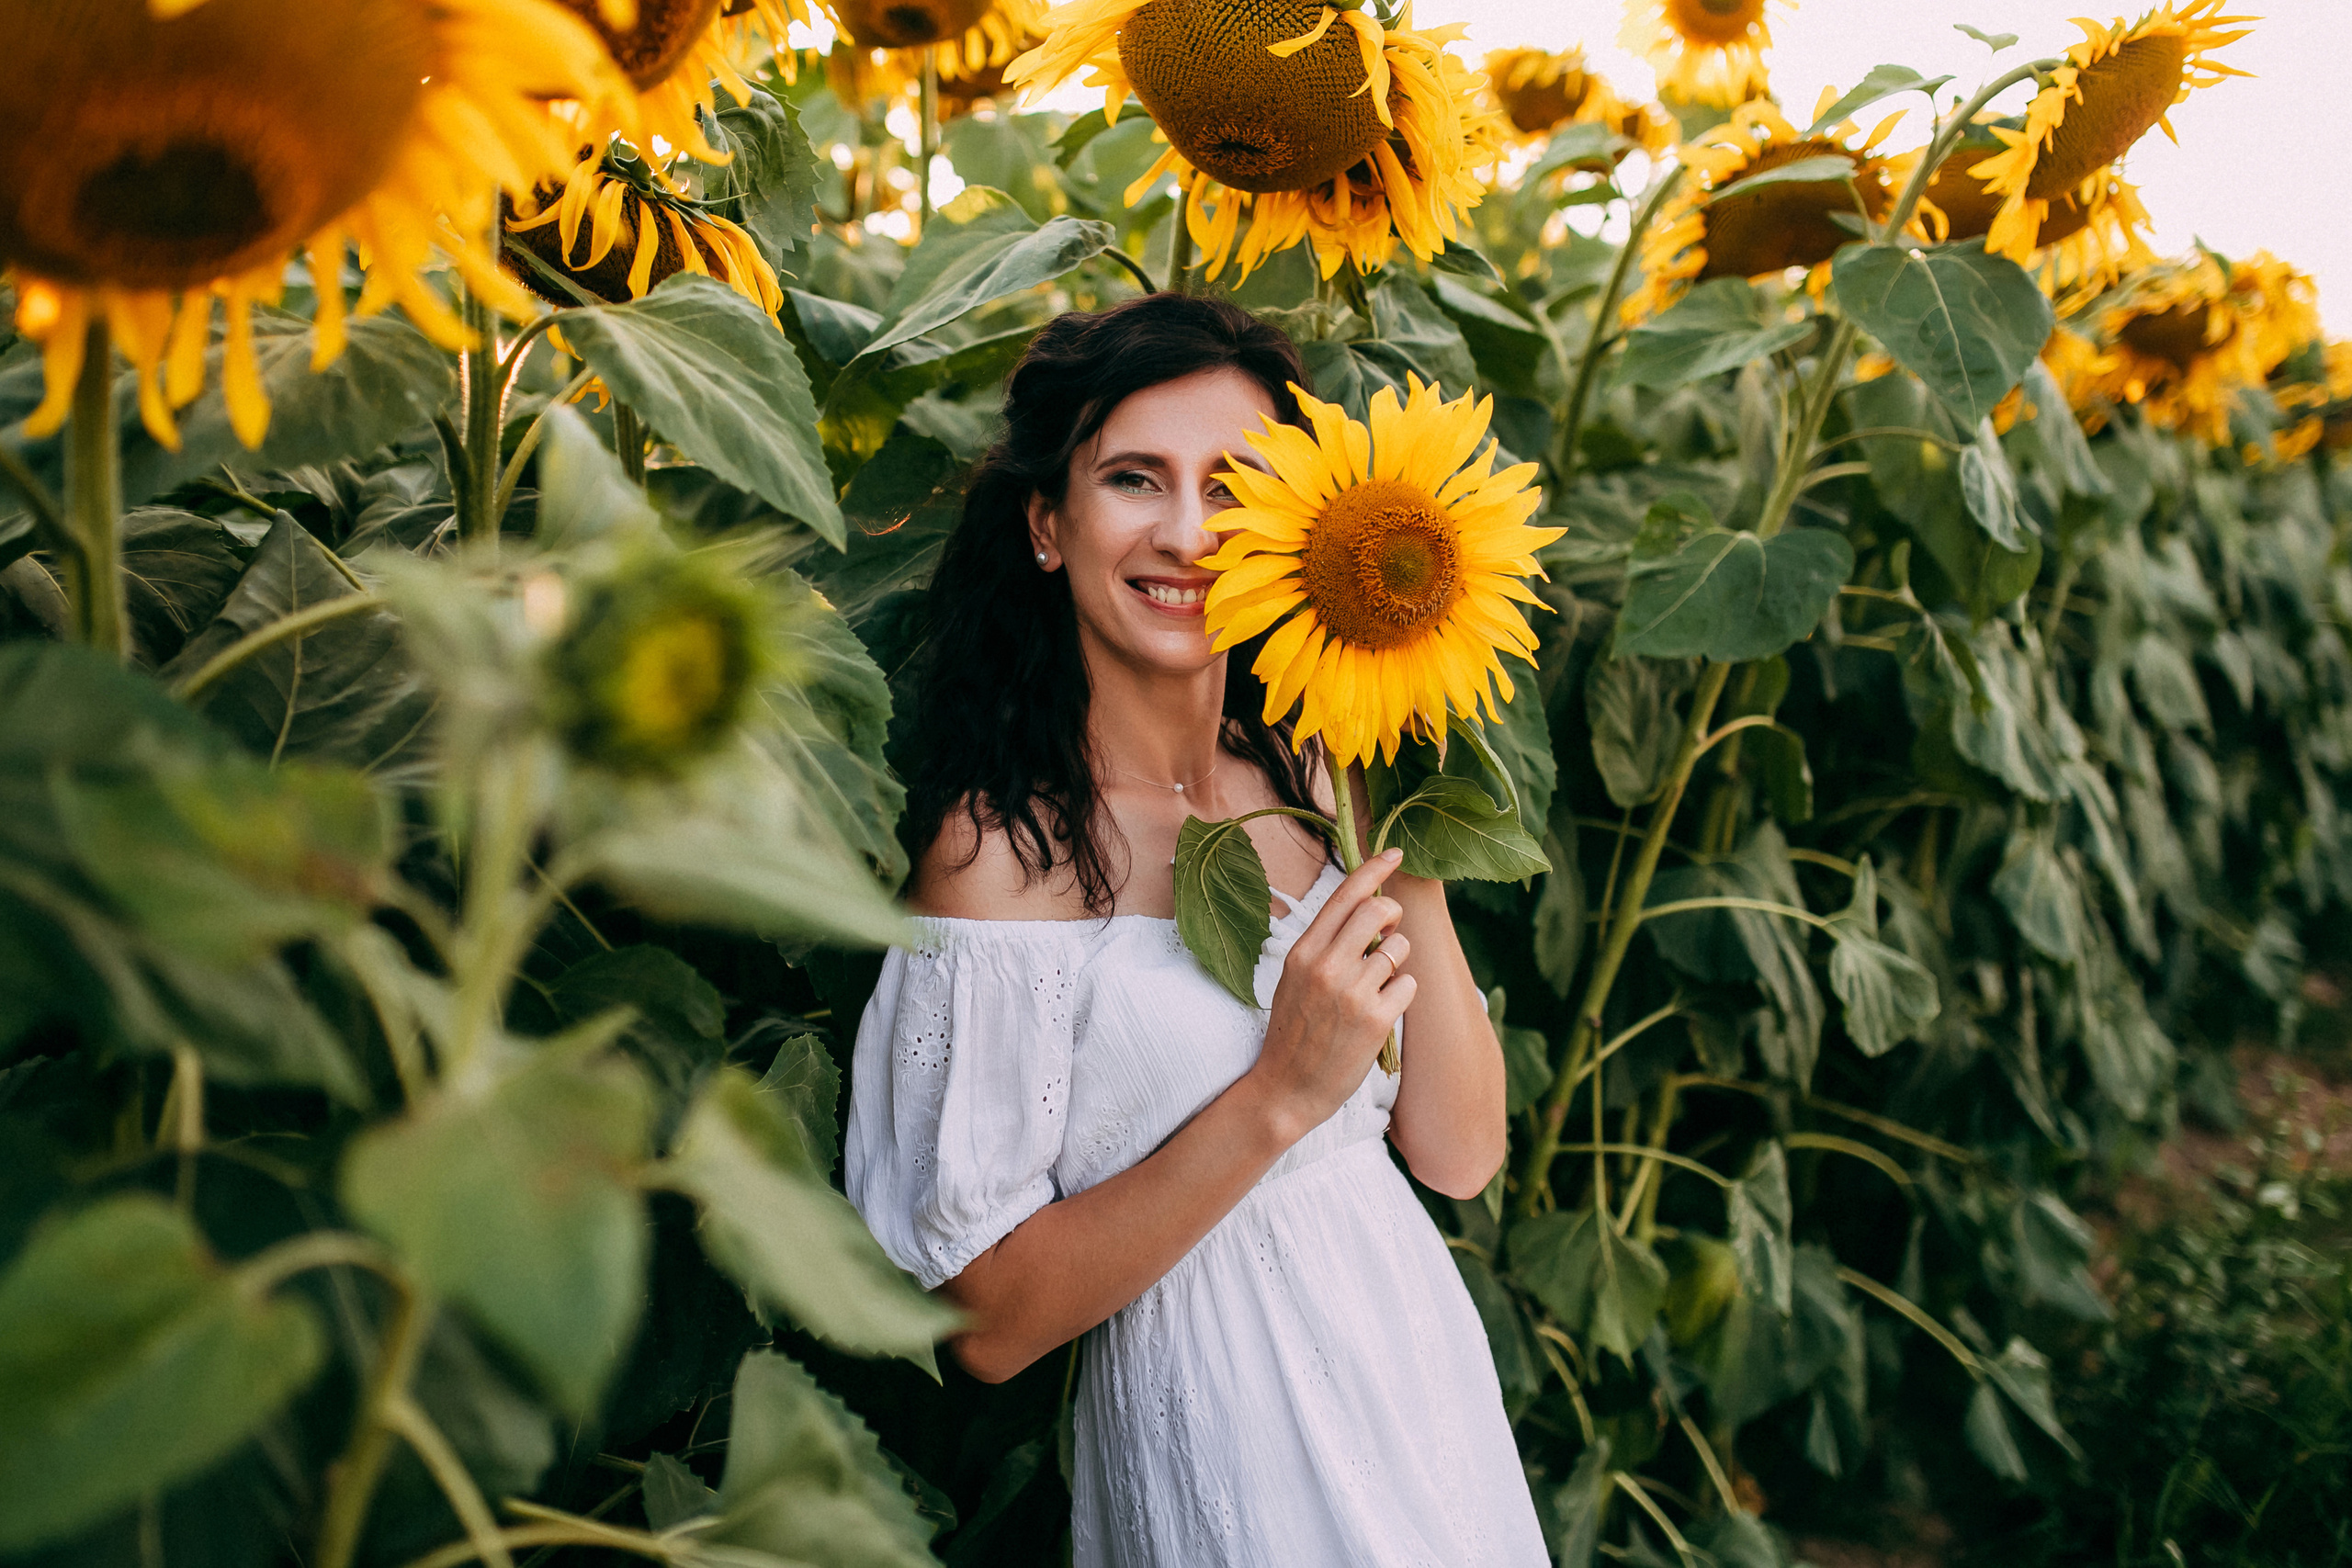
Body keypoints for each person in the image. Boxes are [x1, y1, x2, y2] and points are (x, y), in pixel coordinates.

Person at [844, 293, 1549, 1566]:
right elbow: (986, 1319)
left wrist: (1397, 827)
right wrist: (1280, 1091)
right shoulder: (1000, 853)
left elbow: (1455, 1152)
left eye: (1234, 486)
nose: (1188, 532)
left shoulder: (1308, 779)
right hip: (1231, 1424)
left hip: (1420, 1379)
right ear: (1049, 525)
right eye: (1133, 478)